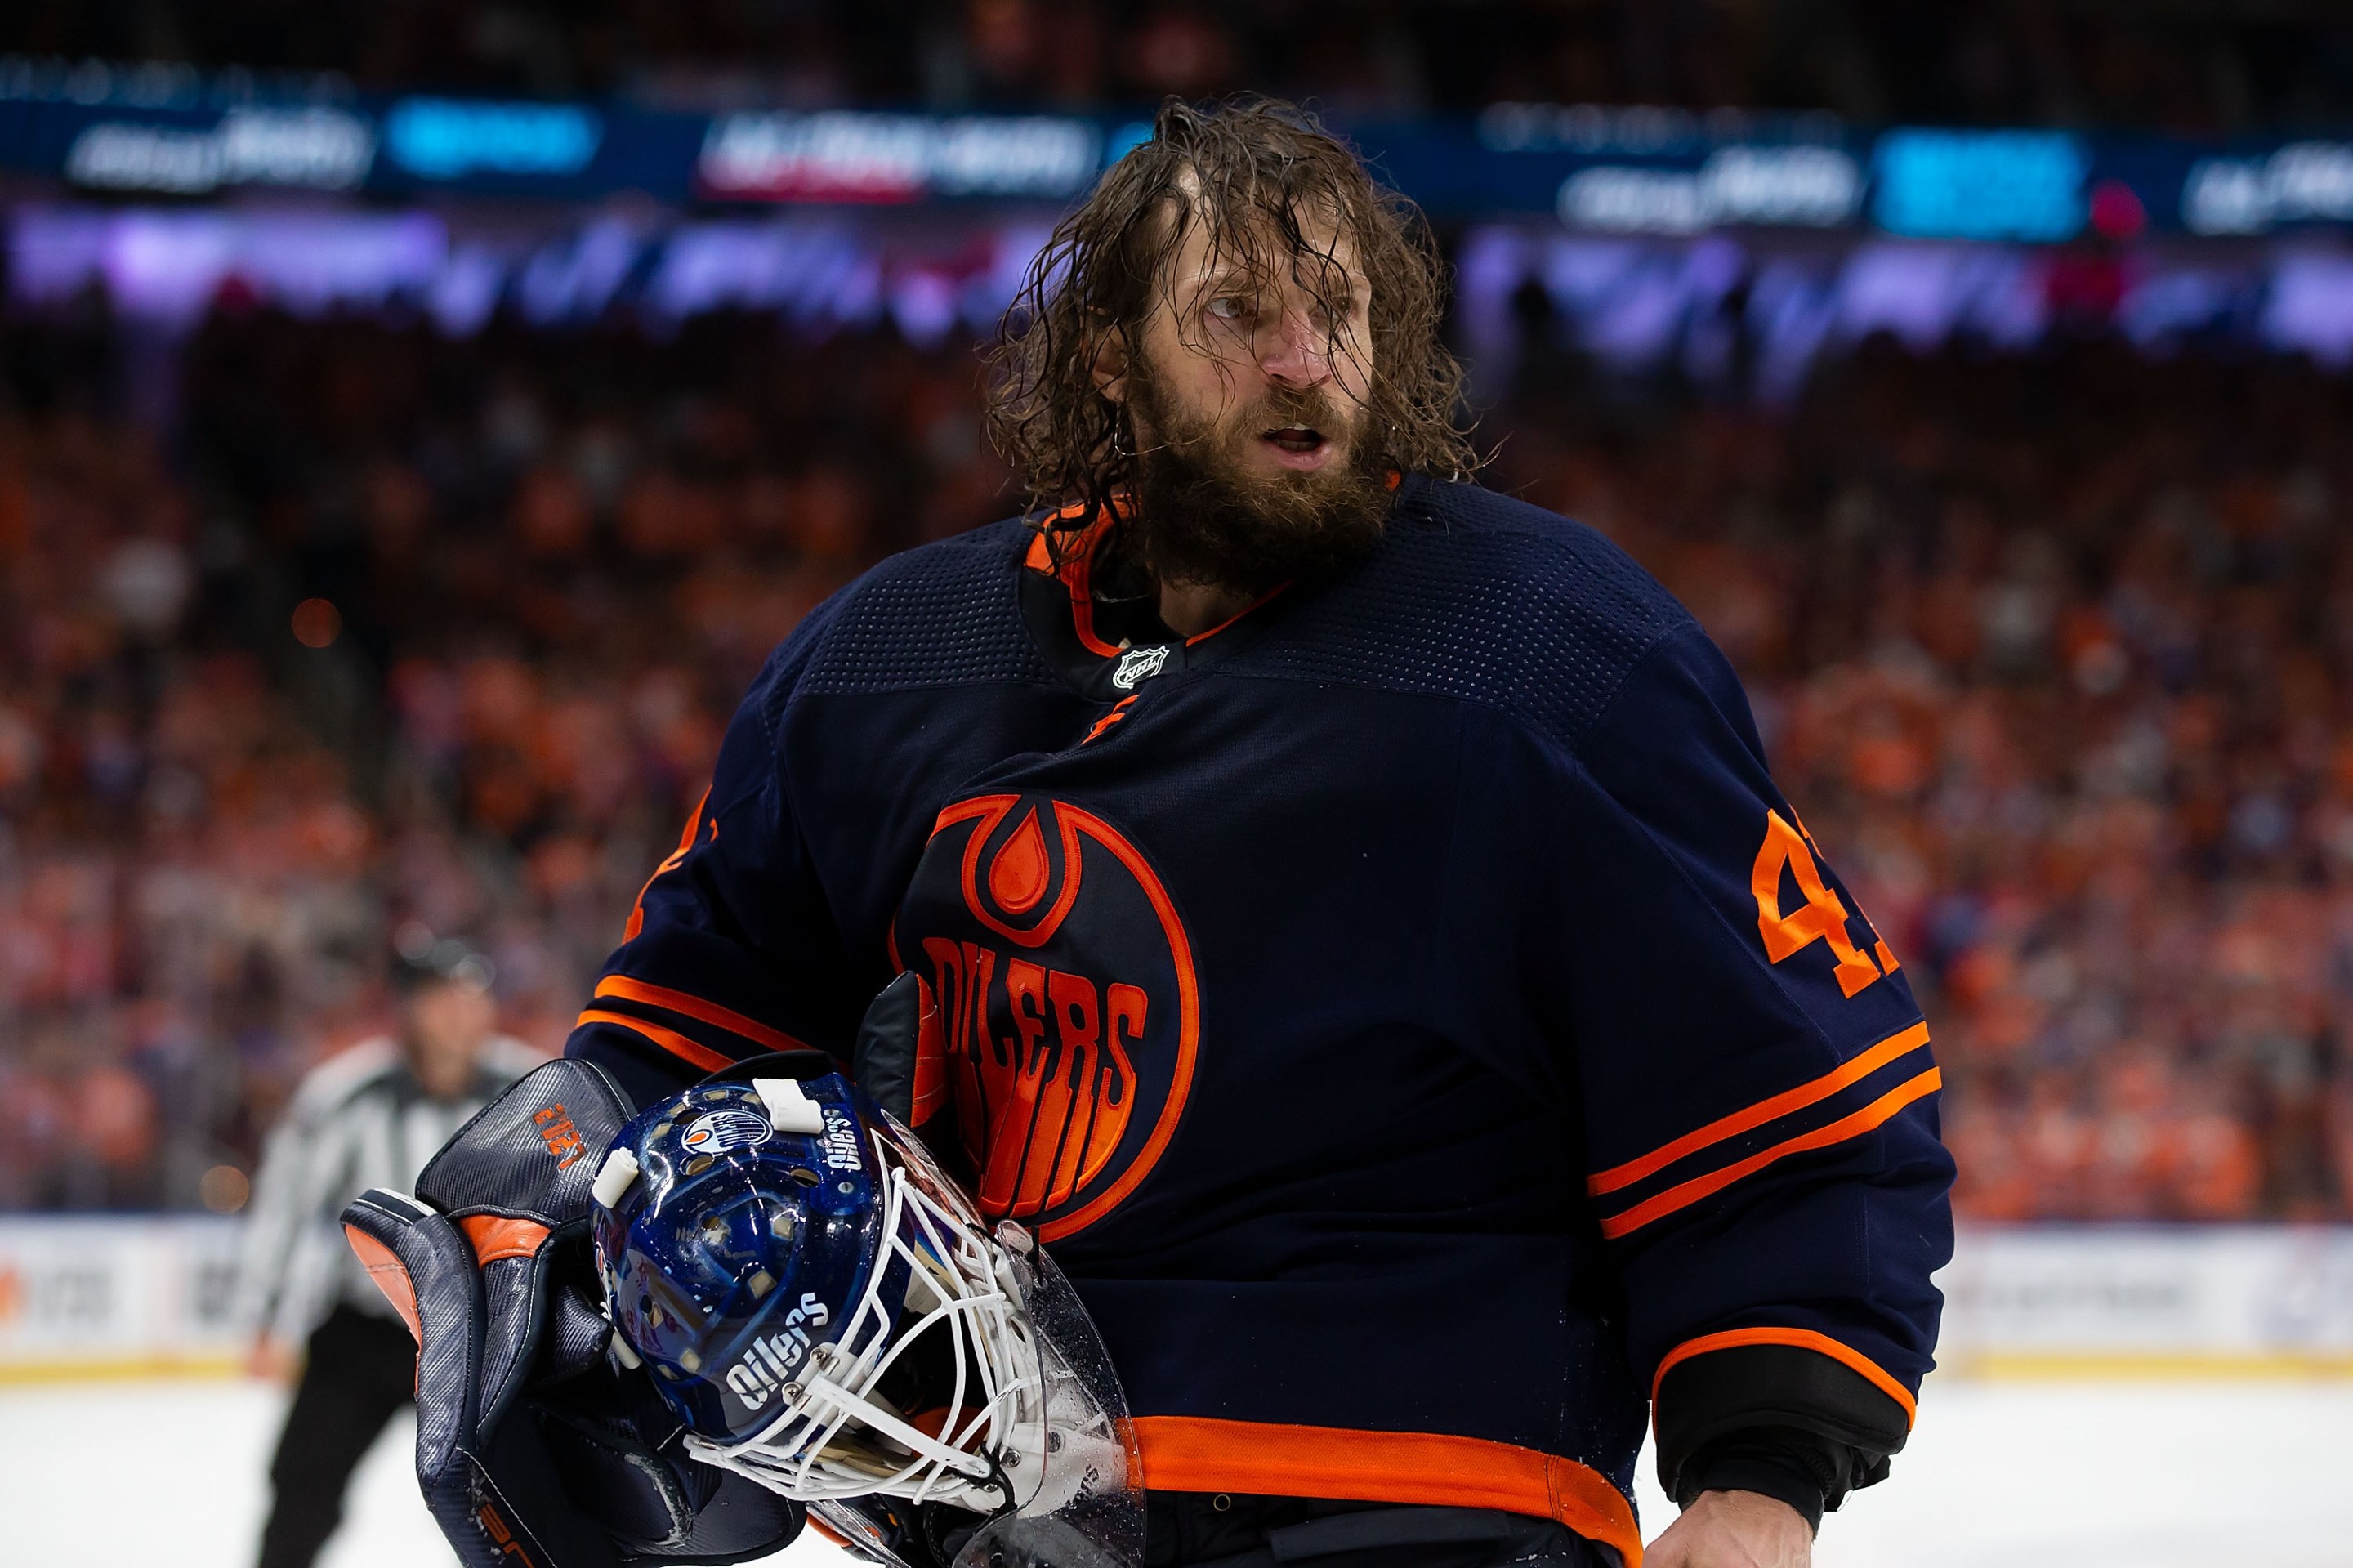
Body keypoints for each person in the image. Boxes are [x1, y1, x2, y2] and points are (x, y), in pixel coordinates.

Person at [421, 96, 1950, 1568]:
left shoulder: (1549, 649)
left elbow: (1791, 1080)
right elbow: (690, 1023)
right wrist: (548, 1215)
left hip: (1432, 1500)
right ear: (1109, 355)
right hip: (999, 1507)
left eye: (1339, 312)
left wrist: (1764, 1471)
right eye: (1236, 314)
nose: (1304, 363)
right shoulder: (887, 659)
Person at [233, 933, 542, 1568]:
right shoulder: (349, 1094)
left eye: (472, 996)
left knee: (520, 1510)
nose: (461, 1011)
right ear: (408, 1007)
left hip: (487, 1340)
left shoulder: (529, 1087)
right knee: (302, 1490)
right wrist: (265, 1316)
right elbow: (287, 1206)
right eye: (442, 997)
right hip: (365, 1333)